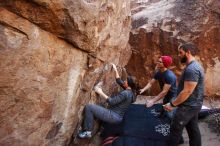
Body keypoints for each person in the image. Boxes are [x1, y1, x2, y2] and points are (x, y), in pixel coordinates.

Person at [78, 63, 137, 139]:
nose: (124, 81)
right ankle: (97, 126)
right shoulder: (131, 92)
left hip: (113, 116)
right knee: (99, 107)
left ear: (128, 84)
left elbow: (111, 101)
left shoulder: (125, 93)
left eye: (125, 81)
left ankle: (87, 132)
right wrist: (115, 69)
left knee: (89, 107)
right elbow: (119, 81)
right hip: (117, 117)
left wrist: (100, 91)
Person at [164, 43, 204, 146]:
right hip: (193, 104)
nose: (179, 55)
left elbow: (187, 91)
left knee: (175, 128)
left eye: (180, 52)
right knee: (192, 128)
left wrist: (172, 104)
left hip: (188, 106)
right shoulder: (193, 66)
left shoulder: (192, 69)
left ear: (188, 52)